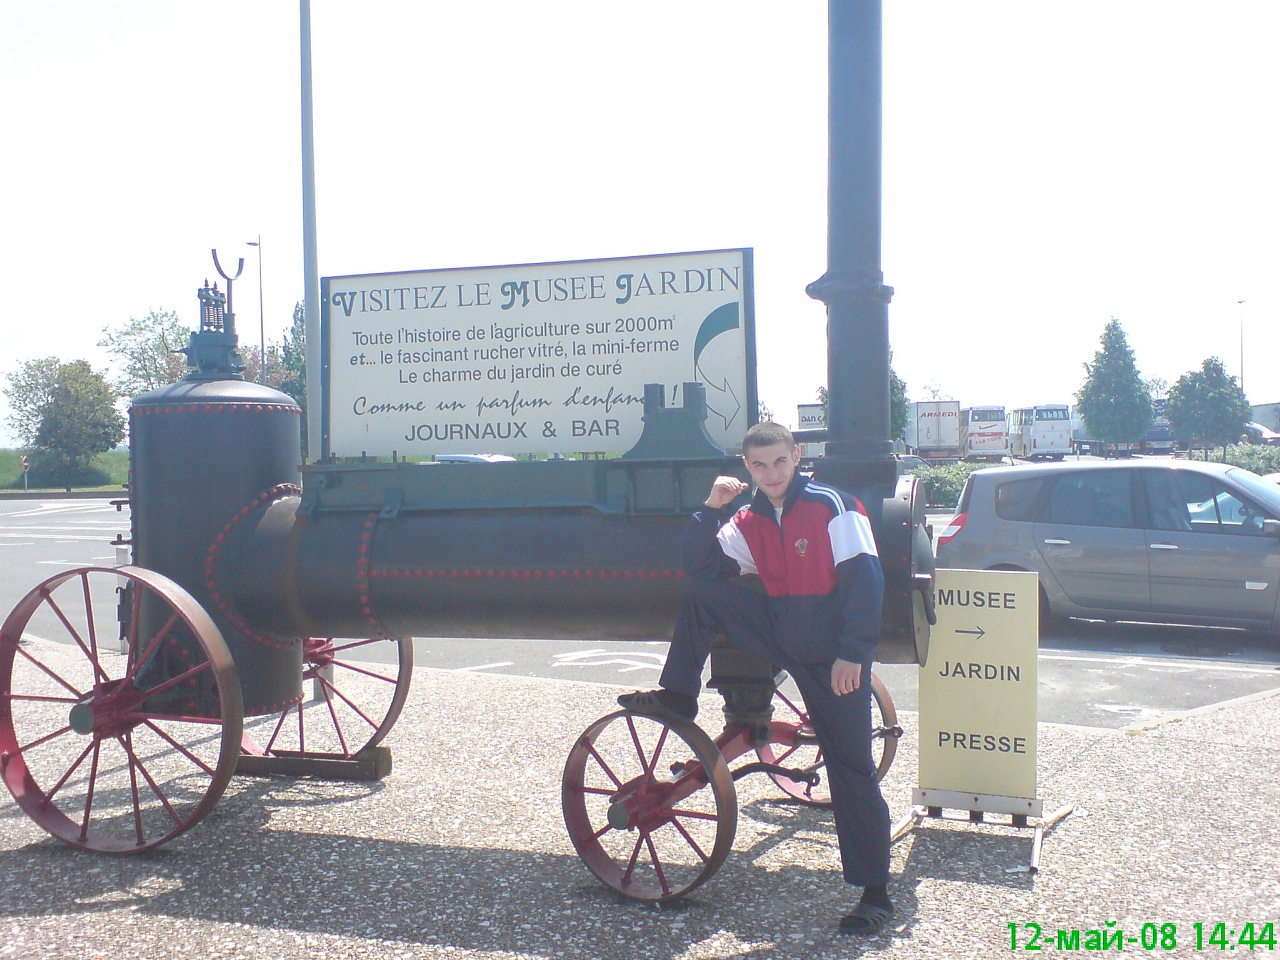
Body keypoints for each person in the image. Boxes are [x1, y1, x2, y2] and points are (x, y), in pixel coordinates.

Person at [618, 421, 894, 936]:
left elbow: (866, 579)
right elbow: (700, 566)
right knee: (702, 593)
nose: (772, 473)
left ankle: (874, 893)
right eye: (760, 465)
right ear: (747, 467)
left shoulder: (834, 506)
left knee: (851, 770)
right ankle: (678, 696)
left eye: (780, 461)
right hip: (780, 631)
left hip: (830, 655)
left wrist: (854, 654)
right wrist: (711, 507)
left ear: (797, 456)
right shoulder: (748, 517)